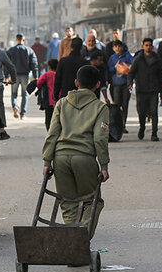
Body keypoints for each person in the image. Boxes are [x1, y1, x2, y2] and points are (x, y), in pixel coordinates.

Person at [42, 65, 110, 238]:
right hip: (85, 159)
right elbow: (99, 138)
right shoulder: (100, 108)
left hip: (60, 158)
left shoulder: (62, 103)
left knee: (68, 202)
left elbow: (52, 134)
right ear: (97, 85)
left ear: (76, 83)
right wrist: (103, 165)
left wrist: (46, 161)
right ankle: (80, 239)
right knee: (92, 201)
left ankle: (71, 242)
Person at [127, 38, 162, 141]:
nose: (148, 47)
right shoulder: (138, 59)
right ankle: (142, 128)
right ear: (142, 46)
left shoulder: (157, 59)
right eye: (146, 45)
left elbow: (161, 75)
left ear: (152, 47)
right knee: (142, 112)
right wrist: (130, 82)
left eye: (150, 45)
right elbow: (131, 72)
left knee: (154, 111)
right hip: (141, 89)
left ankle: (154, 133)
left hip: (153, 89)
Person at [7, 34, 39, 120]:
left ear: (16, 40)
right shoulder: (29, 50)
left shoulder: (11, 50)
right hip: (25, 75)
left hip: (14, 76)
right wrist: (36, 76)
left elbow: (6, 63)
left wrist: (6, 75)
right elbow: (34, 64)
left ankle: (15, 106)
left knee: (14, 94)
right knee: (25, 94)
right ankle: (23, 114)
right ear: (23, 40)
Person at [107, 40, 134, 133]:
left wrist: (126, 66)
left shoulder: (127, 56)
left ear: (122, 47)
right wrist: (115, 67)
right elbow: (109, 69)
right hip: (116, 85)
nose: (117, 48)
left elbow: (133, 65)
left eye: (119, 46)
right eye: (115, 47)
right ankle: (117, 126)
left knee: (125, 105)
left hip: (126, 84)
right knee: (117, 106)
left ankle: (123, 125)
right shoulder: (112, 58)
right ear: (113, 48)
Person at [53, 37, 87, 101]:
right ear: (81, 47)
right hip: (82, 97)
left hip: (66, 96)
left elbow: (57, 80)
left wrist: (55, 96)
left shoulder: (63, 61)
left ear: (70, 46)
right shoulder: (85, 62)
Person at [36, 59, 58, 130]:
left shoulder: (46, 75)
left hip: (48, 101)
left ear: (48, 67)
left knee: (48, 119)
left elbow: (38, 83)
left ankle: (50, 133)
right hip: (58, 100)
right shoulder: (59, 74)